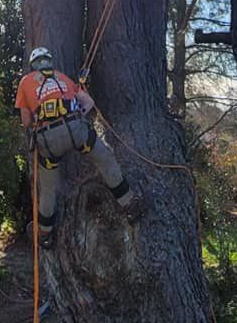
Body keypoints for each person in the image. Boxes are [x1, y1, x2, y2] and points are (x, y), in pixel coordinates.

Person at [15, 46, 144, 247]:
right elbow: (89, 102)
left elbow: (25, 121)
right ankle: (129, 203)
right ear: (49, 61)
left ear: (33, 65)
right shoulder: (63, 78)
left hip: (48, 140)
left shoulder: (25, 82)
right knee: (104, 159)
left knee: (48, 188)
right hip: (75, 131)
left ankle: (45, 233)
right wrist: (76, 117)